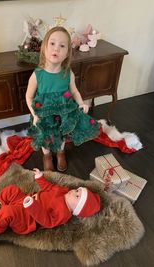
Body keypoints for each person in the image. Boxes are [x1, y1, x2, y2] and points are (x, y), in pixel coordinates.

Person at [26, 26, 100, 172]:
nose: (56, 49)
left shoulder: (68, 74)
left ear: (67, 53)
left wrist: (81, 103)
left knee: (61, 134)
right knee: (45, 135)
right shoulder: (37, 75)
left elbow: (74, 91)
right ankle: (46, 155)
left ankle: (61, 152)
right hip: (43, 114)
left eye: (62, 46)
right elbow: (28, 96)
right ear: (44, 48)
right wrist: (34, 115)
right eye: (52, 44)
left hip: (63, 112)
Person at [0, 168, 100, 237]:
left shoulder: (64, 213)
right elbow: (49, 187)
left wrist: (32, 206)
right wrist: (39, 178)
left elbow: (47, 221)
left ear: (76, 209)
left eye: (77, 196)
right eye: (78, 190)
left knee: (9, 212)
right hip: (26, 200)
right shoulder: (63, 190)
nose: (74, 191)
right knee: (11, 190)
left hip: (27, 218)